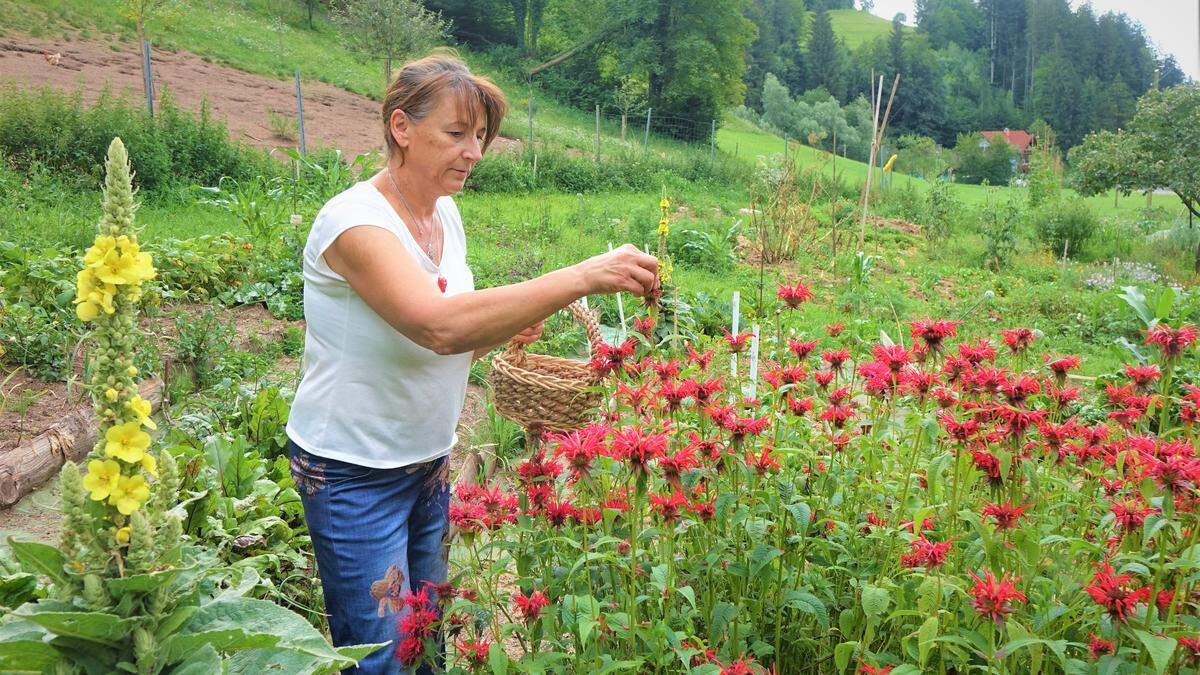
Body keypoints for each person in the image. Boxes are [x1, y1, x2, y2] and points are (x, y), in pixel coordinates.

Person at [284, 52, 659, 674]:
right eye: (456, 134)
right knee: (382, 658)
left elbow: (452, 338)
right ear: (401, 127)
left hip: (427, 461)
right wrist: (581, 277)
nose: (474, 152)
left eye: (480, 136)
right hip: (353, 469)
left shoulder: (444, 215)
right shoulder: (353, 222)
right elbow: (436, 327)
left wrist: (503, 329)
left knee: (427, 641)